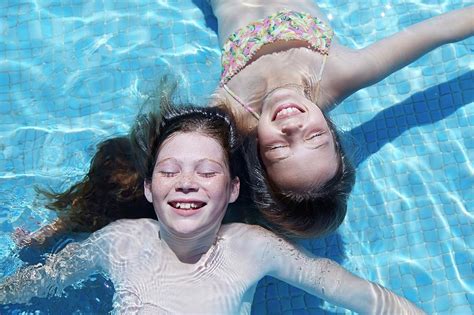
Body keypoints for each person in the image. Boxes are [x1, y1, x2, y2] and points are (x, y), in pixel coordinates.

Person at [0, 103, 425, 314]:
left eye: (207, 171)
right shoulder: (118, 241)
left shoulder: (252, 246)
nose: (187, 181)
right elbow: (35, 283)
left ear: (234, 189)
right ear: (149, 189)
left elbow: (354, 293)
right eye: (170, 171)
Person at [208, 1, 474, 235]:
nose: (292, 128)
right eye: (314, 136)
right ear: (332, 133)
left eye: (277, 149)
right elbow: (438, 31)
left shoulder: (231, 109)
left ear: (257, 156)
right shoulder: (339, 73)